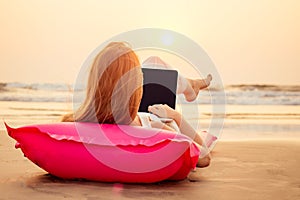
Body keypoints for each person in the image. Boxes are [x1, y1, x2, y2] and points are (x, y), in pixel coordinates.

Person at [61, 42, 212, 167]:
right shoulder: (154, 128)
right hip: (159, 115)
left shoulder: (74, 122)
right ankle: (190, 87)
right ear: (137, 85)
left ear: (93, 82)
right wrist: (175, 116)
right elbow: (204, 156)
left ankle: (190, 86)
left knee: (154, 63)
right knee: (155, 62)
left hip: (129, 112)